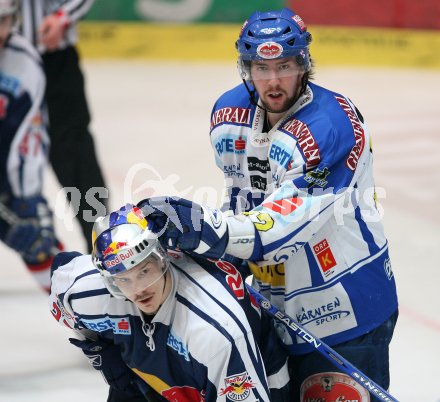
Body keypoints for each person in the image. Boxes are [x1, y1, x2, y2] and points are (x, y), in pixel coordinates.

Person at [139, 8, 399, 402]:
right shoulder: (229, 114)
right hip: (272, 306)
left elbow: (280, 229)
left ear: (304, 65)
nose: (273, 80)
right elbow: (242, 196)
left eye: (285, 66)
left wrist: (207, 231)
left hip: (347, 311)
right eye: (261, 67)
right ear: (246, 69)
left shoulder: (329, 128)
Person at [49, 203, 290, 402]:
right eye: (123, 280)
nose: (138, 290)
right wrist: (98, 347)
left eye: (144, 272)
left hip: (253, 379)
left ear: (162, 257)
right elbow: (61, 274)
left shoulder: (214, 331)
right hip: (163, 378)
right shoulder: (86, 292)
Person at [18, 0, 107, 252]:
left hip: (54, 61)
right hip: (5, 61)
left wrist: (62, 16)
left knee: (75, 157)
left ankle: (103, 245)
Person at [0, 0, 63, 293]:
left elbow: (31, 135)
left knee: (36, 240)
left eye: (2, 22)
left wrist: (27, 198)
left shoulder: (23, 62)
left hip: (6, 172)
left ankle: (81, 308)